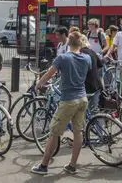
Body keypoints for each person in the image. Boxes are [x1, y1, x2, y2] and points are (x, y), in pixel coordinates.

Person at [32, 31, 92, 175]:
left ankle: (44, 166)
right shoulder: (87, 58)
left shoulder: (63, 58)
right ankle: (72, 165)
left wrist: (39, 83)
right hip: (82, 98)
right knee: (78, 132)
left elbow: (49, 74)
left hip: (68, 100)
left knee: (54, 133)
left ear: (68, 43)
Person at [79, 34, 103, 112]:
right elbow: (100, 65)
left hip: (86, 87)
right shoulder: (92, 52)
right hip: (96, 85)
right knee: (93, 111)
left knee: (81, 111)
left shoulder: (79, 53)